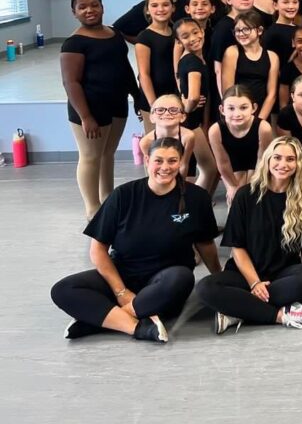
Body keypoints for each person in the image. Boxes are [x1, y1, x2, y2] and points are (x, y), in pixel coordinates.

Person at [51, 138, 220, 343]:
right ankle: (138, 327)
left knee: (182, 277)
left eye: (172, 161)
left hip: (165, 281)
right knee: (63, 289)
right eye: (158, 160)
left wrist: (219, 278)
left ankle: (100, 318)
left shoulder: (197, 198)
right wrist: (121, 291)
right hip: (123, 274)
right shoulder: (123, 195)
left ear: (181, 162)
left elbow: (205, 244)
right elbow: (98, 250)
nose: (165, 167)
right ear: (147, 160)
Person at [196, 137, 302, 333]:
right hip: (244, 274)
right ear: (267, 160)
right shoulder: (246, 194)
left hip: (282, 274)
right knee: (205, 288)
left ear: (299, 163)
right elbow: (237, 247)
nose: (283, 164)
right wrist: (254, 283)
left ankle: (237, 310)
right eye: (277, 157)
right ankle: (280, 315)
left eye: (290, 159)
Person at [61, 0, 138, 219]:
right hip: (90, 106)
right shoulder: (74, 43)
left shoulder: (114, 34)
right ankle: (92, 208)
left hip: (116, 102)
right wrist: (85, 117)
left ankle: (108, 198)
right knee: (90, 156)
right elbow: (71, 82)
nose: (89, 10)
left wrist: (136, 95)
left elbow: (124, 68)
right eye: (82, 7)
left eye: (94, 5)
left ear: (102, 7)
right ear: (74, 13)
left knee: (108, 154)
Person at [208, 85, 274, 204]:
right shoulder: (215, 130)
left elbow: (262, 159)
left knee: (254, 195)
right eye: (231, 108)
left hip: (257, 165)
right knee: (235, 198)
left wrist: (254, 184)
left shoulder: (264, 128)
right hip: (233, 165)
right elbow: (223, 162)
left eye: (243, 108)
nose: (237, 114)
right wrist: (232, 186)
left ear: (253, 108)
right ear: (222, 110)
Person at [139, 93, 218, 192]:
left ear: (183, 117)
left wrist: (179, 190)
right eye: (160, 110)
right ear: (152, 117)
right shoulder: (145, 142)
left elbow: (183, 165)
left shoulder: (188, 136)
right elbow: (151, 170)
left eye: (173, 110)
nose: (167, 113)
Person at [221, 9, 279, 120]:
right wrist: (239, 115)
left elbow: (272, 95)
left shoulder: (272, 56)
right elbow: (228, 91)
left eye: (246, 29)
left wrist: (259, 121)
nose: (241, 34)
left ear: (260, 30)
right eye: (237, 30)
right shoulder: (232, 52)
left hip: (261, 112)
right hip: (236, 113)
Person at [134, 0, 178, 132]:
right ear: (147, 11)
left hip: (175, 96)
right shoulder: (144, 37)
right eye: (154, 5)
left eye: (165, 5)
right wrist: (154, 105)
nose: (160, 9)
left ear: (173, 8)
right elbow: (144, 74)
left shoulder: (177, 32)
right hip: (154, 97)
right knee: (156, 143)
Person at [174, 17, 211, 133]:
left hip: (195, 122)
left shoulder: (196, 58)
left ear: (202, 31)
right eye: (185, 37)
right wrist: (187, 108)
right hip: (191, 124)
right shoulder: (192, 61)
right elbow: (194, 97)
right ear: (179, 42)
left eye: (195, 32)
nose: (193, 38)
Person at [262, 0, 301, 66]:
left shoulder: (300, 29)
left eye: (295, 2)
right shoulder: (271, 33)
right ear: (275, 5)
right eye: (286, 2)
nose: (291, 6)